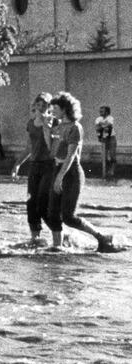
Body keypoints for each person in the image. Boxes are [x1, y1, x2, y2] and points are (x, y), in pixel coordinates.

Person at [47, 93, 118, 252]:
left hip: (71, 173)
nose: (53, 111)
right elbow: (52, 152)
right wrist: (48, 130)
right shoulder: (57, 126)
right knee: (52, 213)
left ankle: (101, 236)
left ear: (65, 109)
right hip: (58, 169)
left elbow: (71, 156)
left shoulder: (75, 127)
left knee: (68, 217)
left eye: (56, 108)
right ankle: (58, 245)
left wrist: (60, 177)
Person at [13, 93, 56, 243]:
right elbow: (29, 146)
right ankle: (35, 237)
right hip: (34, 165)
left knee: (43, 201)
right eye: (38, 105)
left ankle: (58, 233)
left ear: (49, 107)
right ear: (35, 106)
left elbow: (53, 146)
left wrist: (46, 126)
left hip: (49, 165)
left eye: (45, 105)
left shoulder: (53, 121)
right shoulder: (30, 123)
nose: (41, 108)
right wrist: (18, 164)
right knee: (31, 202)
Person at [95, 105, 117, 182]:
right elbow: (97, 128)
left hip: (111, 138)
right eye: (100, 111)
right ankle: (105, 173)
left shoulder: (110, 118)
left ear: (107, 112)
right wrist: (103, 126)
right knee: (104, 156)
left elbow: (108, 126)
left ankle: (112, 172)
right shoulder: (98, 119)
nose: (100, 112)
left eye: (102, 111)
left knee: (112, 155)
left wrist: (102, 126)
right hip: (103, 139)